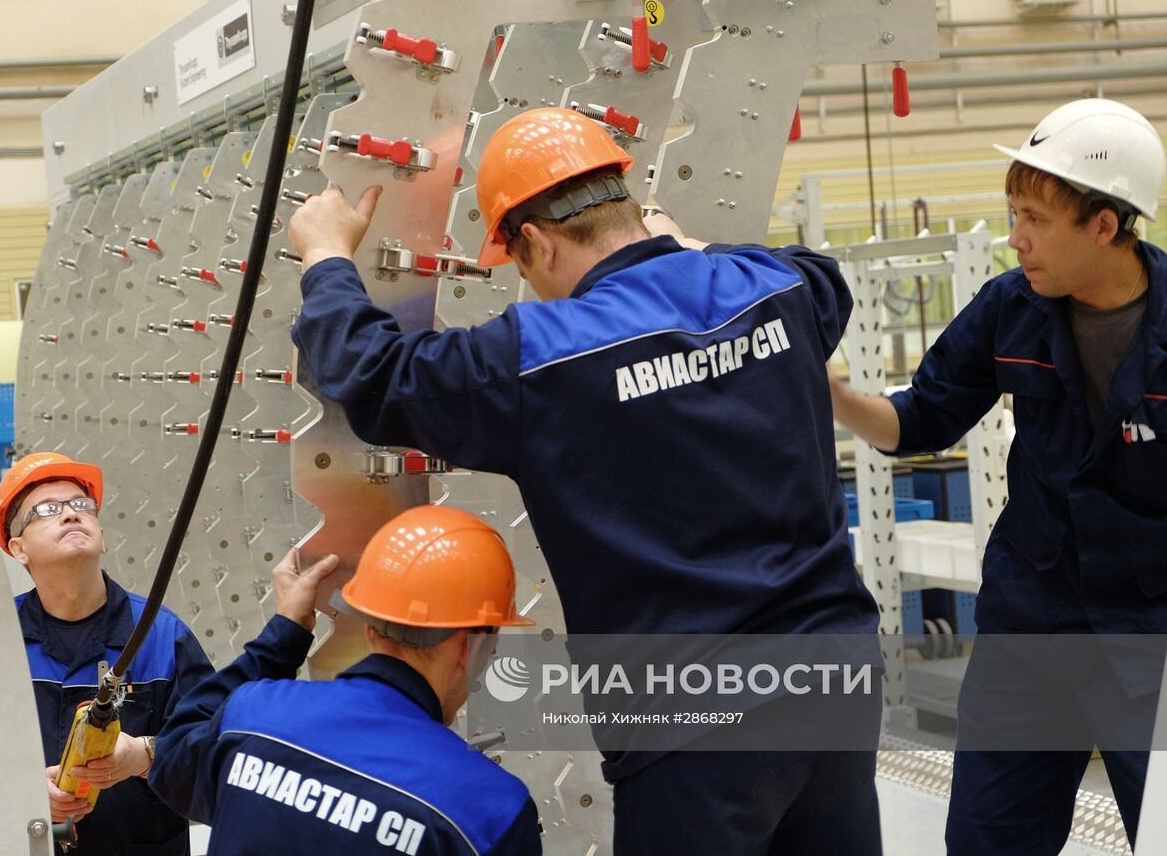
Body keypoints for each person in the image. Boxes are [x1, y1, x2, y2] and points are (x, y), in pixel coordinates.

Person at [284, 106, 882, 855]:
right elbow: (825, 284)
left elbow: (376, 378)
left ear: (532, 241)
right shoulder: (772, 285)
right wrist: (677, 245)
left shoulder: (544, 354)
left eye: (524, 270)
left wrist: (326, 255)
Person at [827, 97, 1167, 854]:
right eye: (1012, 215)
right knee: (988, 839)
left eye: (1035, 221)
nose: (1016, 240)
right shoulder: (1011, 307)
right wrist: (837, 399)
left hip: (1150, 637)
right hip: (1032, 629)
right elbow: (921, 418)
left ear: (1104, 225)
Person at [149, 505, 542, 855]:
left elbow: (170, 761)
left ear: (371, 629)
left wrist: (282, 637)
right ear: (469, 648)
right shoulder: (491, 812)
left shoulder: (251, 716)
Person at [0, 452, 214, 854]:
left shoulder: (161, 636)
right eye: (46, 510)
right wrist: (24, 790)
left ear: (101, 533)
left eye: (82, 506)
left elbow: (213, 748)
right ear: (18, 548)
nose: (71, 515)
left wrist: (143, 755)